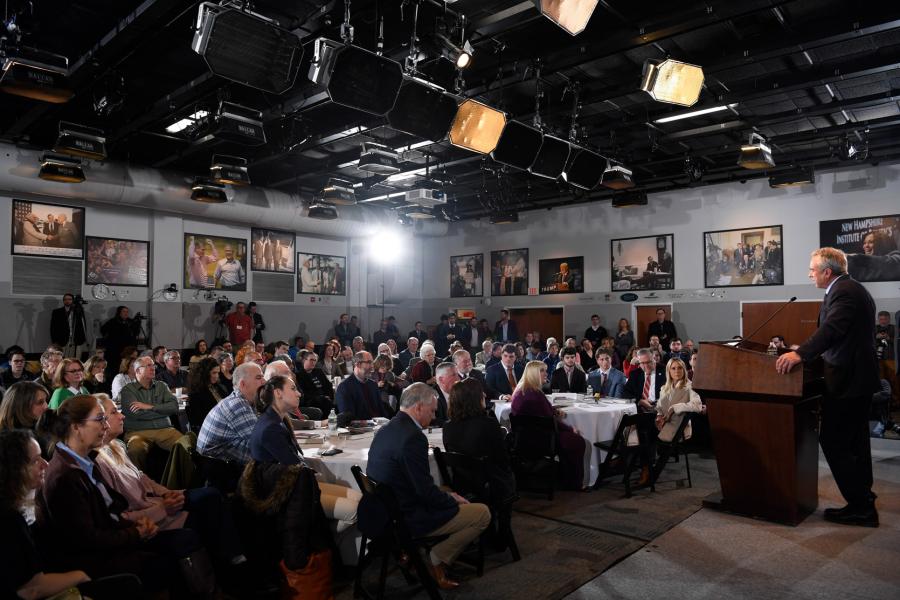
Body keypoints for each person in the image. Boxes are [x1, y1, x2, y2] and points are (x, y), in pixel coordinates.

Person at [775, 247, 880, 527]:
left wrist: (801, 354)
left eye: (812, 269)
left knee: (834, 441)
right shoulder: (849, 288)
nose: (810, 273)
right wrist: (808, 350)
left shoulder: (844, 291)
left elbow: (832, 329)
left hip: (849, 381)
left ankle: (861, 507)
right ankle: (864, 501)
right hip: (854, 378)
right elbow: (841, 336)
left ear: (827, 272)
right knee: (856, 444)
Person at [35, 395, 185, 590]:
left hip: (109, 546)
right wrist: (135, 533)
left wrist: (136, 525)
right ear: (75, 427)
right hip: (90, 563)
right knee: (169, 559)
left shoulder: (85, 460)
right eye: (100, 419)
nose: (106, 426)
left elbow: (108, 513)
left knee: (180, 542)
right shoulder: (64, 475)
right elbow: (87, 539)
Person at [367, 383, 491, 590]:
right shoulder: (414, 438)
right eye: (432, 410)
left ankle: (411, 554)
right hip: (407, 518)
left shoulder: (387, 428)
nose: (434, 416)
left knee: (447, 491)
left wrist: (448, 496)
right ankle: (437, 559)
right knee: (482, 513)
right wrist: (452, 500)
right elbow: (424, 492)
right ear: (418, 408)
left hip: (384, 511)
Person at [0, 429, 106, 600]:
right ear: (14, 469)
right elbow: (31, 589)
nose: (46, 464)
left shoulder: (16, 507)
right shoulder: (9, 520)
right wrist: (79, 576)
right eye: (35, 461)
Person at [250, 374, 361, 531]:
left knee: (358, 497)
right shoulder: (270, 428)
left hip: (295, 483)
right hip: (285, 493)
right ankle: (325, 542)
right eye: (293, 389)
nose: (299, 393)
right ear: (278, 393)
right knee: (355, 510)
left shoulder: (276, 420)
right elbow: (294, 467)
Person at [510, 361, 587, 490]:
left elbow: (541, 413)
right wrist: (571, 429)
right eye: (542, 371)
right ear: (534, 374)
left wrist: (553, 411)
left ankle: (564, 476)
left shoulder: (521, 390)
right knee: (577, 441)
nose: (546, 373)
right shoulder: (535, 394)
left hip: (523, 438)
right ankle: (573, 483)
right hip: (541, 439)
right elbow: (550, 421)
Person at [443, 378, 516, 505]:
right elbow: (503, 460)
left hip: (462, 483)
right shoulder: (488, 424)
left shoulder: (448, 426)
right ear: (474, 399)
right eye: (481, 392)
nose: (485, 395)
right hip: (489, 483)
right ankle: (505, 522)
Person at [119, 356, 186, 471]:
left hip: (164, 430)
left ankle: (179, 482)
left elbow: (174, 407)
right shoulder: (128, 390)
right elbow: (137, 414)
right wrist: (164, 411)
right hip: (138, 432)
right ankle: (139, 483)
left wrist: (149, 407)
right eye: (148, 366)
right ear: (138, 371)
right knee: (135, 450)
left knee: (185, 446)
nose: (153, 368)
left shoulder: (162, 386)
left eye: (153, 365)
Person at [197, 363, 266, 464]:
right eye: (258, 378)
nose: (264, 381)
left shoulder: (246, 401)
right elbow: (261, 442)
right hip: (222, 470)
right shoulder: (238, 405)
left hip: (227, 463)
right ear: (243, 384)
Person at [653, 358, 703, 474]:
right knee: (640, 429)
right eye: (673, 368)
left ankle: (647, 467)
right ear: (668, 371)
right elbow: (659, 408)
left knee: (644, 434)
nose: (677, 371)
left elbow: (698, 406)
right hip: (664, 424)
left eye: (680, 368)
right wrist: (659, 416)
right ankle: (645, 464)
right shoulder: (664, 388)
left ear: (684, 370)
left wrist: (675, 407)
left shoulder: (690, 386)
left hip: (678, 427)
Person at [335, 352, 388, 421]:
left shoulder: (373, 385)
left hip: (379, 426)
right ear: (358, 364)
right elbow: (347, 417)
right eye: (369, 362)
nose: (372, 366)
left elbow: (382, 411)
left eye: (372, 362)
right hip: (360, 428)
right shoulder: (345, 387)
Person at [99, 306, 140, 382]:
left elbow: (136, 332)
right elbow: (103, 330)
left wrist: (137, 323)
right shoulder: (113, 321)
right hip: (114, 351)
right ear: (119, 312)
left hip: (127, 350)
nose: (126, 313)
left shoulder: (130, 322)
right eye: (124, 311)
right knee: (114, 370)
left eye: (127, 312)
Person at [187, 357, 223, 432]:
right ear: (205, 373)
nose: (217, 376)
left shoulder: (218, 386)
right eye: (214, 373)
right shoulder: (197, 392)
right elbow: (198, 419)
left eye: (218, 373)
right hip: (210, 426)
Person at [297, 351, 335, 416]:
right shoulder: (299, 375)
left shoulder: (319, 371)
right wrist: (321, 397)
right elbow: (304, 393)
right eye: (311, 360)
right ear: (304, 360)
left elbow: (328, 385)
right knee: (327, 404)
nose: (313, 362)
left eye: (315, 360)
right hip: (312, 400)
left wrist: (329, 397)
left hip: (325, 399)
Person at [50, 293, 87, 358]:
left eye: (69, 299)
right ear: (63, 301)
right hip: (62, 339)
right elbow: (53, 328)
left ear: (73, 300)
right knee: (62, 359)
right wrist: (55, 341)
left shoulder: (78, 311)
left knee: (73, 359)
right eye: (65, 299)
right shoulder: (57, 312)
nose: (67, 301)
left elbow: (82, 325)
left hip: (75, 339)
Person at [875, 311, 898, 406]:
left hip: (891, 358)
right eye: (881, 319)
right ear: (878, 319)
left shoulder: (895, 328)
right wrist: (875, 337)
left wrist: (889, 339)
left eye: (885, 319)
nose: (883, 321)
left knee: (894, 380)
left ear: (889, 319)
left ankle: (896, 402)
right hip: (877, 359)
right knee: (881, 381)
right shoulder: (874, 329)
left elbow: (898, 342)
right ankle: (882, 403)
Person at [432, 362, 458, 426]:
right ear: (441, 379)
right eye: (454, 375)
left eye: (457, 374)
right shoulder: (431, 396)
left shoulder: (461, 391)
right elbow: (432, 420)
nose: (458, 379)